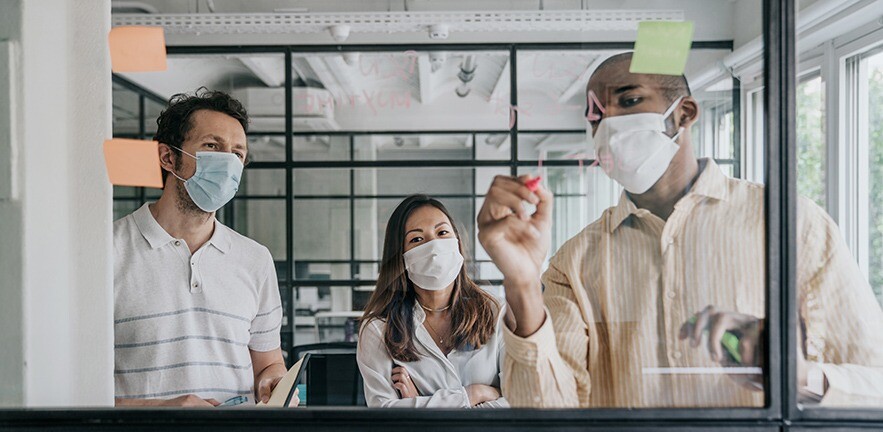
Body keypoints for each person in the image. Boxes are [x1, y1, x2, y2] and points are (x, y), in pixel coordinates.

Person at [478, 52, 883, 408]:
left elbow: (874, 383)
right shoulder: (575, 262)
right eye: (596, 115)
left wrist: (800, 378)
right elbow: (544, 408)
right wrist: (523, 283)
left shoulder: (790, 224)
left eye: (630, 100)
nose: (610, 123)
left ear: (684, 112)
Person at [113, 88, 297, 407]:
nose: (227, 162)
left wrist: (273, 381)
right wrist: (162, 410)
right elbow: (72, 383)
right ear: (169, 157)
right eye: (212, 146)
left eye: (237, 153)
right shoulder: (107, 251)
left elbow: (268, 362)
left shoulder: (255, 259)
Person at [357, 195, 509, 408]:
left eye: (442, 233)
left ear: (457, 241)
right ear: (400, 255)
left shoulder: (496, 312)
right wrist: (474, 394)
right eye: (417, 239)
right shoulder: (378, 329)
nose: (434, 246)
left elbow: (519, 400)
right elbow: (384, 412)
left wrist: (418, 405)